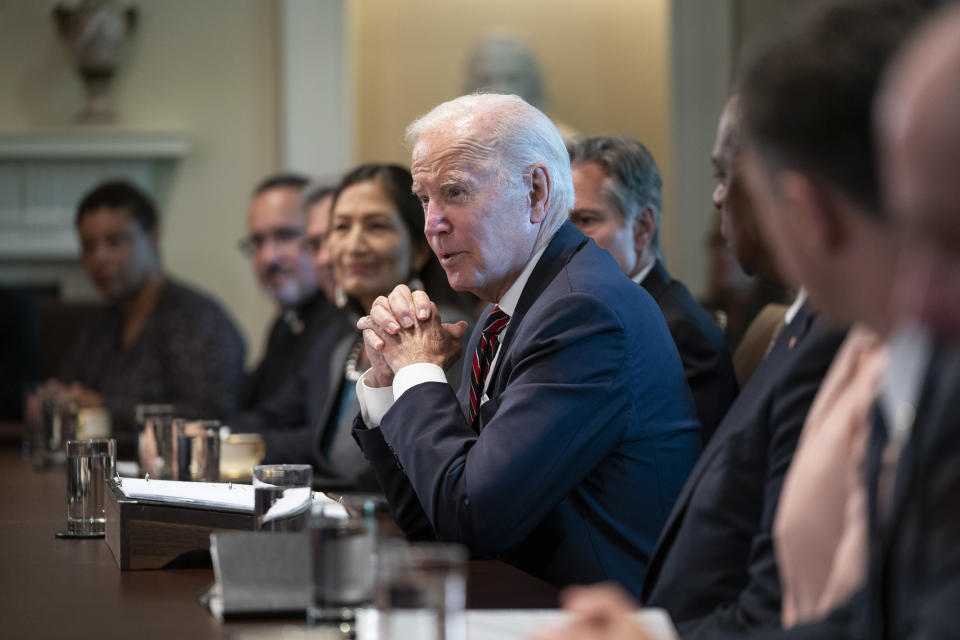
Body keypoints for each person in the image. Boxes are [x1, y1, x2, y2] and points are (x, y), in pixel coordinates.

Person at [351, 93, 701, 597]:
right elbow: (433, 523)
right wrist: (389, 382)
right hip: (515, 598)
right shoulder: (503, 312)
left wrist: (418, 370)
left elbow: (472, 514)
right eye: (425, 199)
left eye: (455, 192)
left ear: (536, 192)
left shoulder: (583, 313)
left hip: (594, 621)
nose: (432, 224)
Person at [231, 164, 468, 490]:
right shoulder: (344, 346)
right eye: (341, 227)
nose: (354, 244)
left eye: (376, 226)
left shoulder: (441, 336)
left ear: (416, 250)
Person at [51, 180, 244, 457]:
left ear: (152, 237)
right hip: (102, 472)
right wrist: (55, 400)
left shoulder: (197, 317)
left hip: (174, 480)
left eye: (115, 241)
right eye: (88, 246)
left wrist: (103, 408)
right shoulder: (100, 322)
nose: (100, 257)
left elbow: (211, 415)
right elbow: (71, 386)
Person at [569, 136, 738, 443]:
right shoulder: (584, 312)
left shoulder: (681, 332)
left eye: (585, 219)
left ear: (642, 227)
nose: (565, 239)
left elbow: (684, 470)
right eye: (560, 222)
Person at [239, 174, 340, 409]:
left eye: (284, 236)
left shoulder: (343, 324)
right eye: (257, 242)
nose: (268, 257)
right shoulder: (284, 324)